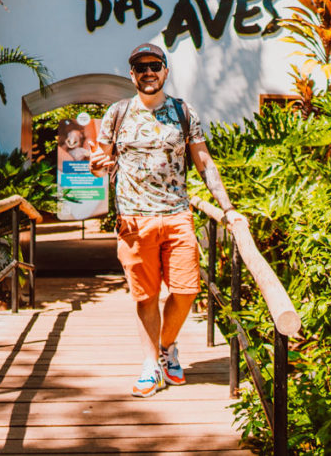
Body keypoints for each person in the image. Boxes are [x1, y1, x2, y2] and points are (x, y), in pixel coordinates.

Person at [90, 43, 244, 397]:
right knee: (145, 296)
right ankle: (150, 365)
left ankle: (167, 346)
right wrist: (98, 165)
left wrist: (228, 207)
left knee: (187, 290)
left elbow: (204, 162)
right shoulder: (117, 113)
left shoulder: (183, 111)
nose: (148, 72)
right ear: (132, 74)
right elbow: (99, 159)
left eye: (154, 65)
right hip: (133, 219)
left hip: (177, 215)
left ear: (165, 71)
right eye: (140, 67)